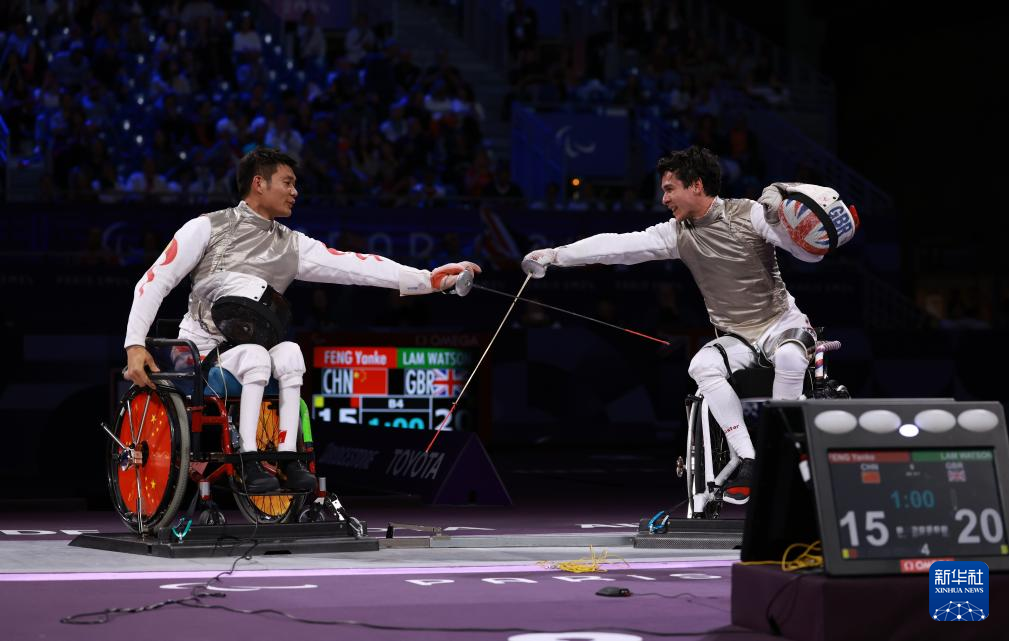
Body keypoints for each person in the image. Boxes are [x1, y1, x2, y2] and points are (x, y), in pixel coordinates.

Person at [123, 148, 480, 493]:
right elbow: (154, 281)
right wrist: (135, 345)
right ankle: (248, 460)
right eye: (287, 182)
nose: (295, 192)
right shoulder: (206, 227)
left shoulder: (291, 245)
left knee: (291, 352)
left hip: (251, 353)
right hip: (199, 355)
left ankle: (287, 457)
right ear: (259, 183)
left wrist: (429, 280)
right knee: (257, 357)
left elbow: (356, 266)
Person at [521, 146, 857, 503]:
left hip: (781, 325)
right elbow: (617, 247)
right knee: (701, 366)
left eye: (670, 189)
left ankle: (779, 450)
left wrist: (779, 212)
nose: (664, 198)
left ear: (696, 185)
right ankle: (747, 458)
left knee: (789, 357)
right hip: (736, 337)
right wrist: (555, 255)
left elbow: (808, 254)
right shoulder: (677, 233)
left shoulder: (750, 213)